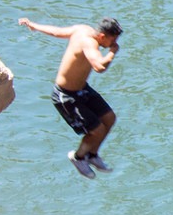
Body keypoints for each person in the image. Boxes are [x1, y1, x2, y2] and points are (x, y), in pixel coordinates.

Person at [17, 15, 122, 179]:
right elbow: (99, 67)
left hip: (81, 89)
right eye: (112, 40)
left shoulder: (82, 29)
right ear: (102, 36)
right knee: (97, 130)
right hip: (65, 96)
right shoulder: (90, 43)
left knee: (109, 118)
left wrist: (33, 25)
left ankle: (92, 155)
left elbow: (57, 32)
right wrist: (112, 52)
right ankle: (78, 157)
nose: (114, 43)